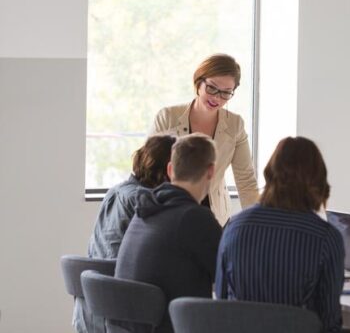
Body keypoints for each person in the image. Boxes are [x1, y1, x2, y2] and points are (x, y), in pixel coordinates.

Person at [215, 137, 345, 333]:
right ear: (317, 180)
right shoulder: (326, 237)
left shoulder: (235, 227)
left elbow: (221, 301)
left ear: (269, 174)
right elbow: (329, 321)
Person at [115, 134, 223, 333]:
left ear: (171, 169)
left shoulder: (144, 210)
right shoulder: (194, 218)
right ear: (210, 171)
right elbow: (230, 275)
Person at [73, 135, 175, 333]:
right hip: (123, 311)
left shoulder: (115, 191)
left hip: (91, 311)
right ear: (169, 169)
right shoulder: (144, 200)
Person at [151, 53, 259, 225]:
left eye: (226, 93)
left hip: (215, 218)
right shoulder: (167, 117)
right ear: (199, 82)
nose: (217, 98)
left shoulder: (235, 125)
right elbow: (150, 171)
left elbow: (246, 182)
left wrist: (258, 225)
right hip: (171, 214)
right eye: (212, 88)